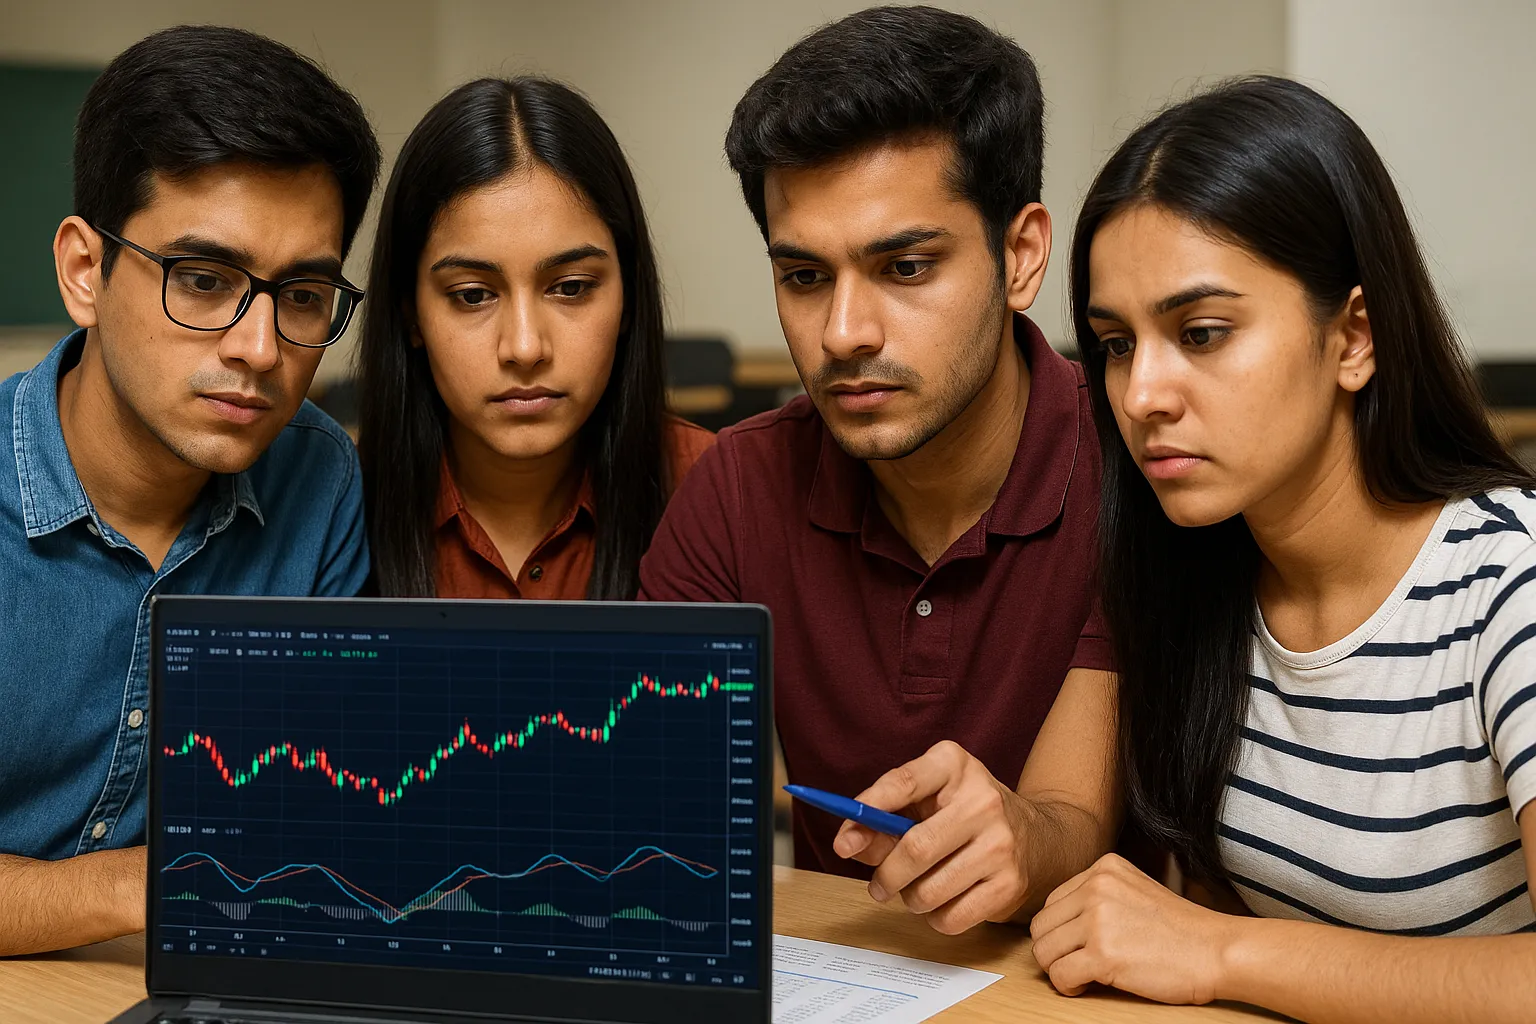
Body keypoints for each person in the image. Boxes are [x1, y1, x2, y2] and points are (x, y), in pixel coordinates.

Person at [1028, 76, 1536, 1021]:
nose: (1141, 395)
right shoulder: (1193, 570)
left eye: (1202, 333)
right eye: (1115, 345)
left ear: (1353, 338)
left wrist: (1217, 949)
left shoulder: (1509, 586)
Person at [639, 5, 1118, 934]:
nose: (843, 334)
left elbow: (1074, 820)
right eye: (804, 276)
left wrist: (1022, 835)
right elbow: (651, 815)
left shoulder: (1132, 471)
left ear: (1020, 258)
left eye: (905, 267)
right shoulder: (738, 490)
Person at [0, 26, 379, 955]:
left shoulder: (319, 479)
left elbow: (316, 835)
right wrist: (147, 880)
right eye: (204, 280)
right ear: (86, 271)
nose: (260, 349)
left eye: (302, 295)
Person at [356, 77, 712, 601]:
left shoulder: (718, 494)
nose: (524, 348)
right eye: (473, 295)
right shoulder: (333, 513)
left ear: (629, 299)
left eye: (570, 288)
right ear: (411, 314)